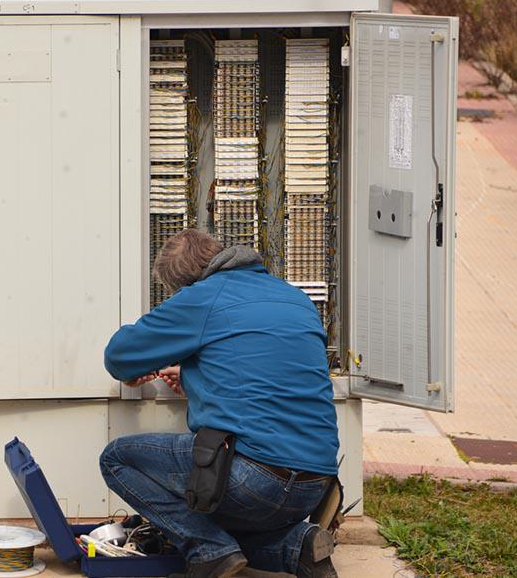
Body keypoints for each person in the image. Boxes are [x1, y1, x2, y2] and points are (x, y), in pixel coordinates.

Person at [99, 229, 340, 578]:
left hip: (254, 480)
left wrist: (155, 358)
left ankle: (209, 552)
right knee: (231, 529)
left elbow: (119, 357)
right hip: (314, 485)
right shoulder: (294, 298)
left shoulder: (201, 297)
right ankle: (298, 546)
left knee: (117, 459)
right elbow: (267, 375)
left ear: (183, 285)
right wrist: (194, 375)